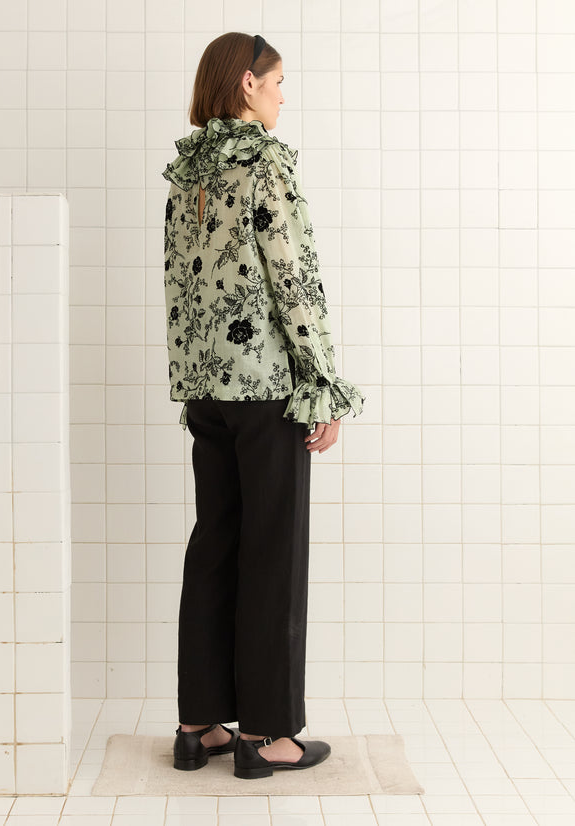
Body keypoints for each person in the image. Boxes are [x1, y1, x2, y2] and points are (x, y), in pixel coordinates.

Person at [161, 32, 365, 779]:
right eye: (279, 82)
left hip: (207, 390)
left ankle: (199, 724)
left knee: (215, 542)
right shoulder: (264, 163)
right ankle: (267, 737)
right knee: (272, 551)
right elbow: (295, 279)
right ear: (248, 84)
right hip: (268, 389)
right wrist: (323, 382)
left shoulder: (188, 171)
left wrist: (192, 378)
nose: (284, 95)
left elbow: (180, 287)